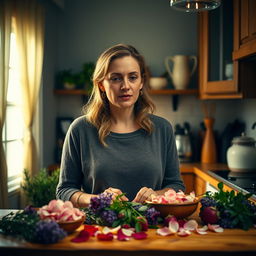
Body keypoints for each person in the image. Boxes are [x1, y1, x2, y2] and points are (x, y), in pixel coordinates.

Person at [56, 44, 185, 207]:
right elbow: (64, 191)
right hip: (100, 227)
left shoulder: (163, 128)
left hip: (153, 227)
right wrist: (97, 199)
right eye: (116, 78)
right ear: (101, 84)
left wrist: (155, 195)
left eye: (133, 77)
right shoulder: (80, 129)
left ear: (141, 82)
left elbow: (176, 186)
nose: (125, 86)